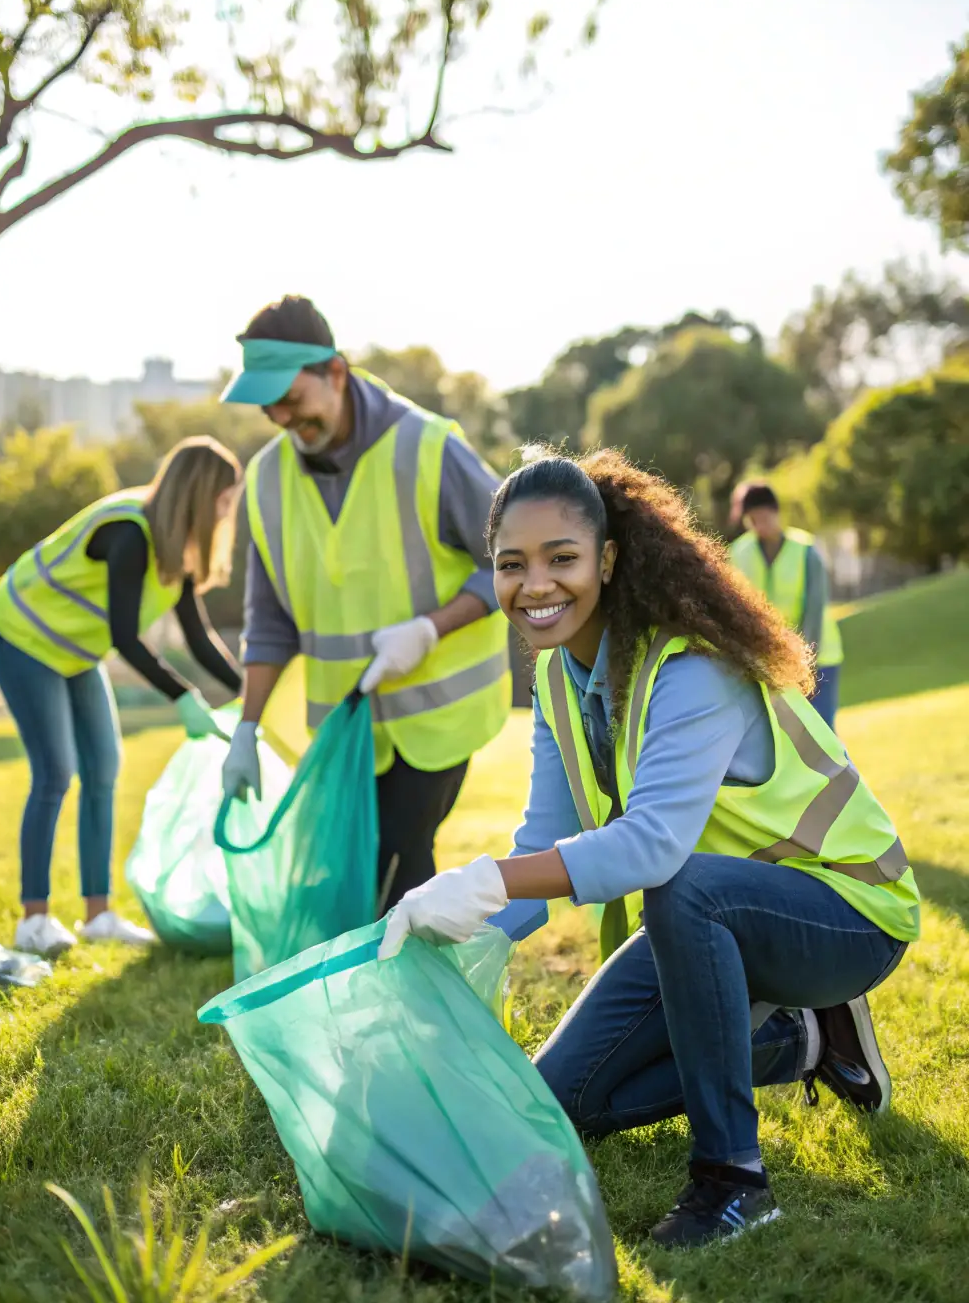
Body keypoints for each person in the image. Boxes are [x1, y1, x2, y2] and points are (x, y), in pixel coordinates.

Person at [379, 449, 919, 1249]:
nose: (536, 585)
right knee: (561, 1099)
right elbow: (542, 849)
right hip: (712, 916)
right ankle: (805, 1037)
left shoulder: (690, 660)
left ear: (606, 558)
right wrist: (439, 936)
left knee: (680, 884)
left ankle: (733, 1180)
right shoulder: (559, 677)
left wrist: (483, 879)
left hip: (846, 911)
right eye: (510, 564)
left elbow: (652, 847)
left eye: (561, 558)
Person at [218, 295, 511, 911]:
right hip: (347, 730)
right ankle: (397, 984)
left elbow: (513, 559)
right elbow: (268, 623)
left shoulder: (428, 448)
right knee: (361, 871)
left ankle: (404, 994)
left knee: (397, 859)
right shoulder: (267, 480)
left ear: (336, 373)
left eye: (291, 399)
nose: (281, 417)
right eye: (268, 405)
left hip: (436, 716)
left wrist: (429, 630)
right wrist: (245, 727)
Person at [0, 437, 244, 956]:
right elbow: (127, 637)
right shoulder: (130, 533)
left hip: (75, 652)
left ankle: (98, 915)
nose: (227, 512)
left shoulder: (179, 549)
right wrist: (185, 696)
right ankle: (33, 920)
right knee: (56, 772)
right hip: (22, 636)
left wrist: (251, 694)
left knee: (103, 767)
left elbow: (198, 635)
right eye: (224, 500)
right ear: (199, 495)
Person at [728, 481, 844, 730]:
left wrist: (802, 666)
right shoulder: (739, 553)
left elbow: (814, 611)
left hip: (819, 658)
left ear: (776, 513)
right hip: (770, 664)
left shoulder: (806, 550)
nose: (760, 525)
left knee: (822, 734)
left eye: (764, 517)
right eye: (753, 519)